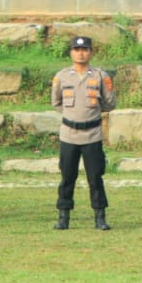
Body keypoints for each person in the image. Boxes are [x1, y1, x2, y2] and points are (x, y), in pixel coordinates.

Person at [51, 35, 116, 231]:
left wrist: (91, 113)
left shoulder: (100, 76)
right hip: (69, 134)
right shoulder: (62, 76)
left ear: (91, 52)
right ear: (71, 52)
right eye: (77, 49)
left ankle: (100, 217)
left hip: (92, 134)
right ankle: (63, 217)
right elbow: (56, 102)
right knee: (67, 176)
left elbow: (109, 102)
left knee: (95, 177)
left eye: (85, 49)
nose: (81, 53)